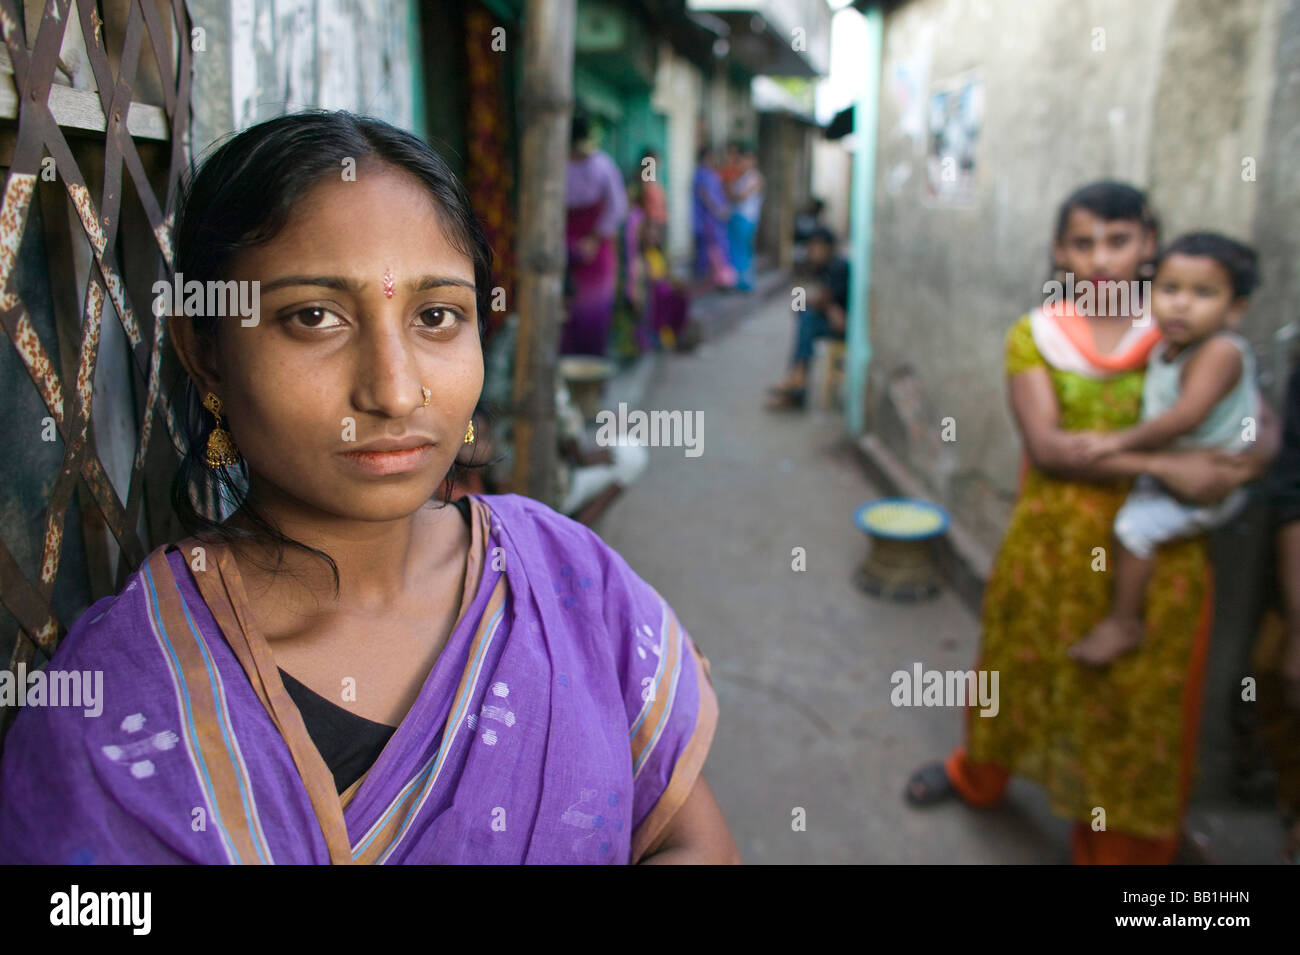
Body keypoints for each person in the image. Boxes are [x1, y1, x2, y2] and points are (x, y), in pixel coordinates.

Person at [0, 111, 738, 865]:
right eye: (314, 317)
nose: (394, 391)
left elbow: (689, 837)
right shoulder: (119, 702)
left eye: (437, 315)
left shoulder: (568, 582)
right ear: (207, 353)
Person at [903, 181, 1279, 864]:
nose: (1101, 258)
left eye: (1119, 239)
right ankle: (979, 776)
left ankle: (1122, 847)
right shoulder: (1038, 333)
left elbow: (1257, 431)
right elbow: (1049, 449)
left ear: (1148, 242)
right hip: (1052, 543)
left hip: (1155, 555)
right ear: (1059, 250)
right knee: (1017, 672)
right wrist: (1172, 467)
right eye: (1083, 242)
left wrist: (1238, 465)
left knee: (1135, 701)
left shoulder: (1182, 332)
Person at [1068, 233, 1262, 665]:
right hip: (1174, 472)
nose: (1181, 304)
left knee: (1133, 530)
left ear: (1236, 310)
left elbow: (1184, 417)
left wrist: (1117, 441)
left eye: (1203, 293)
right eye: (1170, 289)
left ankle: (1124, 622)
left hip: (1209, 483)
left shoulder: (1218, 352)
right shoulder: (1169, 346)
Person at [563, 112, 628, 356]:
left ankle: (592, 377)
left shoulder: (602, 165)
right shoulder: (556, 165)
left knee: (596, 314)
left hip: (597, 250)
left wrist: (594, 239)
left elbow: (618, 207)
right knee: (565, 316)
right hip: (562, 251)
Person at [766, 226, 849, 410]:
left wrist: (823, 304)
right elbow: (805, 302)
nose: (811, 252)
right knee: (805, 319)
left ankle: (797, 380)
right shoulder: (822, 268)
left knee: (807, 321)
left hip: (845, 328)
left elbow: (824, 301)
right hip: (831, 322)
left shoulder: (839, 266)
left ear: (827, 247)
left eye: (815, 247)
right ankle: (797, 379)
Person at [692, 145, 737, 290]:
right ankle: (719, 279)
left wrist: (723, 209)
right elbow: (705, 195)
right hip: (709, 218)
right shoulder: (701, 174)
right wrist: (718, 210)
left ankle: (723, 279)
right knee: (713, 248)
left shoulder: (712, 174)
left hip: (717, 218)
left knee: (720, 247)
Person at [726, 143, 764, 292]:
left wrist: (733, 194)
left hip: (747, 219)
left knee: (744, 249)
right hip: (736, 217)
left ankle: (746, 282)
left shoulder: (755, 178)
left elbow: (741, 196)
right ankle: (737, 280)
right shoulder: (738, 176)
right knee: (735, 249)